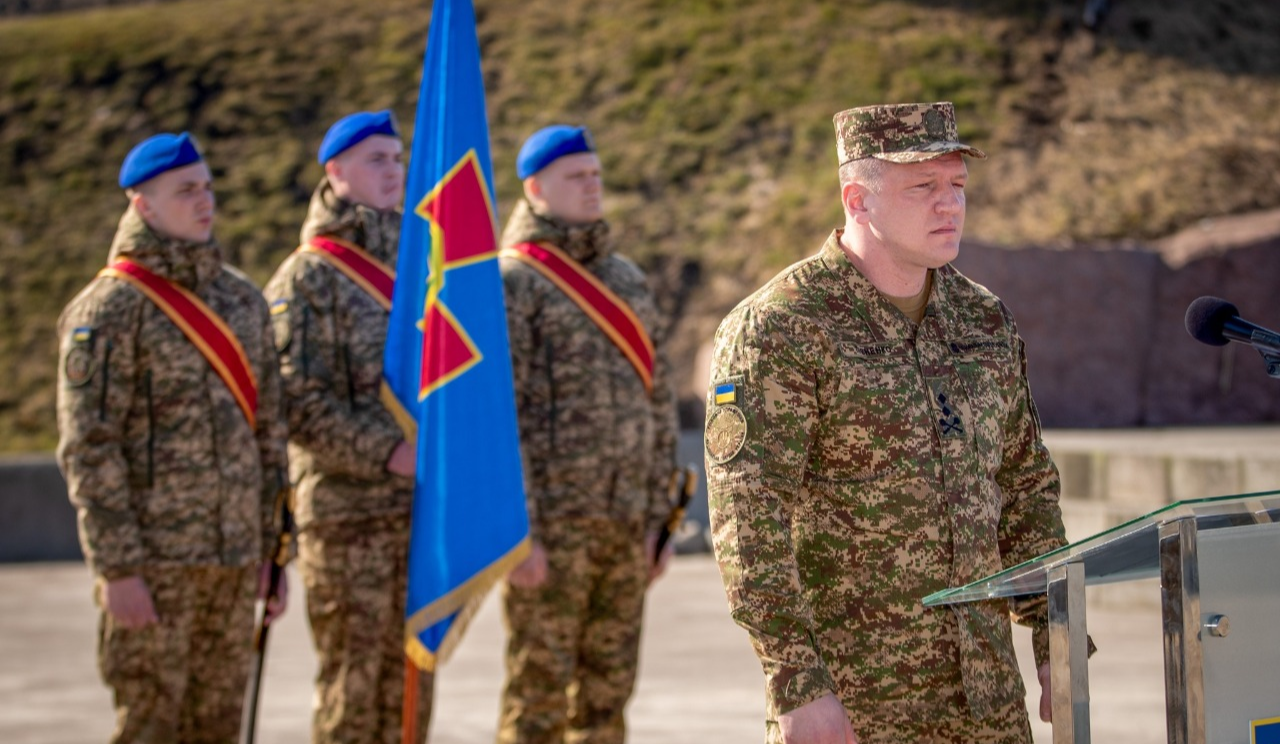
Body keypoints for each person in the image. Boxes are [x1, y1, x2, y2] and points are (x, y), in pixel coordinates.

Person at [705, 102, 1072, 744]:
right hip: (854, 707)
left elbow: (1025, 486)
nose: (949, 205)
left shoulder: (983, 321)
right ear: (859, 199)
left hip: (988, 703)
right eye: (922, 187)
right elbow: (747, 515)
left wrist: (1054, 633)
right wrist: (795, 683)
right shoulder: (784, 326)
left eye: (956, 185)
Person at [56, 132, 289, 743]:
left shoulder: (242, 301)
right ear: (143, 204)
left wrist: (273, 548)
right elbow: (90, 447)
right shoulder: (109, 310)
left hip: (236, 560)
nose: (204, 201)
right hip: (157, 568)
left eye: (207, 188)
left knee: (217, 727)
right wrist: (119, 569)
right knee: (151, 727)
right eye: (186, 191)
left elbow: (268, 434)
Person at [496, 124, 680, 744]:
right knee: (538, 699)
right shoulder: (510, 281)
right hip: (553, 528)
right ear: (535, 187)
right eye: (577, 176)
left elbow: (656, 400)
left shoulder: (625, 277)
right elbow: (503, 415)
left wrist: (661, 518)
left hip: (626, 524)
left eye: (596, 174)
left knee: (607, 700)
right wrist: (516, 531)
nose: (592, 185)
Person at [263, 110, 433, 743]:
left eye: (397, 159)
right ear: (334, 172)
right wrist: (387, 452)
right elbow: (296, 401)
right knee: (353, 695)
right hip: (347, 518)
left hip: (418, 513)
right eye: (376, 160)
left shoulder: (425, 267)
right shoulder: (306, 279)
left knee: (412, 693)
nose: (393, 171)